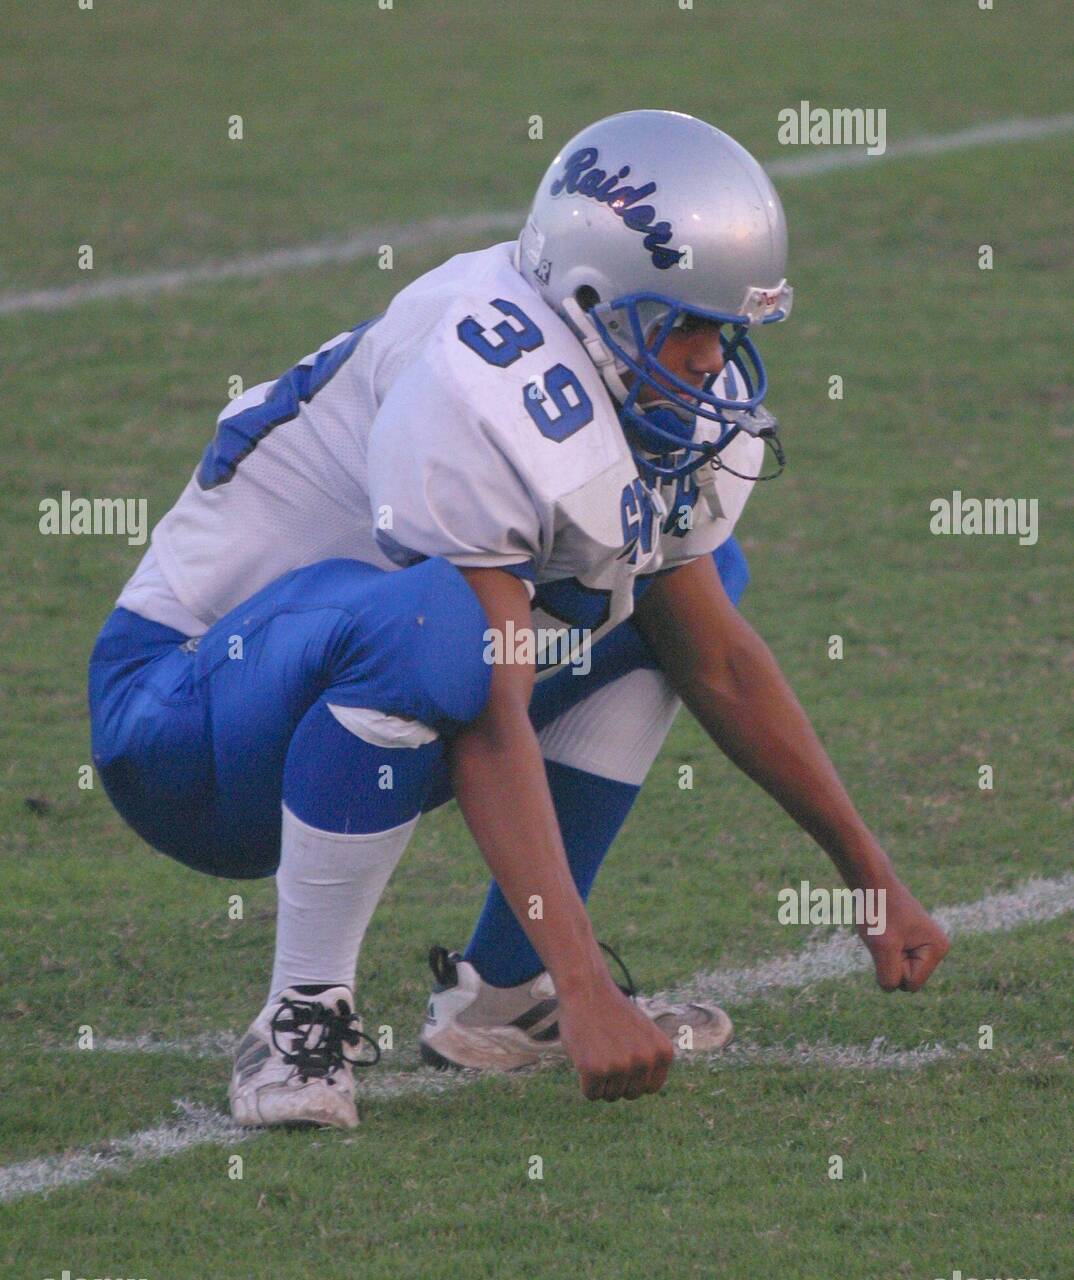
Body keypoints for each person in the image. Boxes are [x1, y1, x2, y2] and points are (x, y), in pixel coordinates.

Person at [88, 109, 949, 1129]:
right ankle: (298, 1013)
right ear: (590, 301)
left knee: (686, 592)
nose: (713, 360)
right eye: (686, 323)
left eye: (731, 329)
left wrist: (867, 873)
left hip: (331, 683)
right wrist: (589, 983)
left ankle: (502, 996)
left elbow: (715, 659)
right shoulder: (481, 378)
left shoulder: (633, 380)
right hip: (182, 717)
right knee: (438, 626)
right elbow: (487, 700)